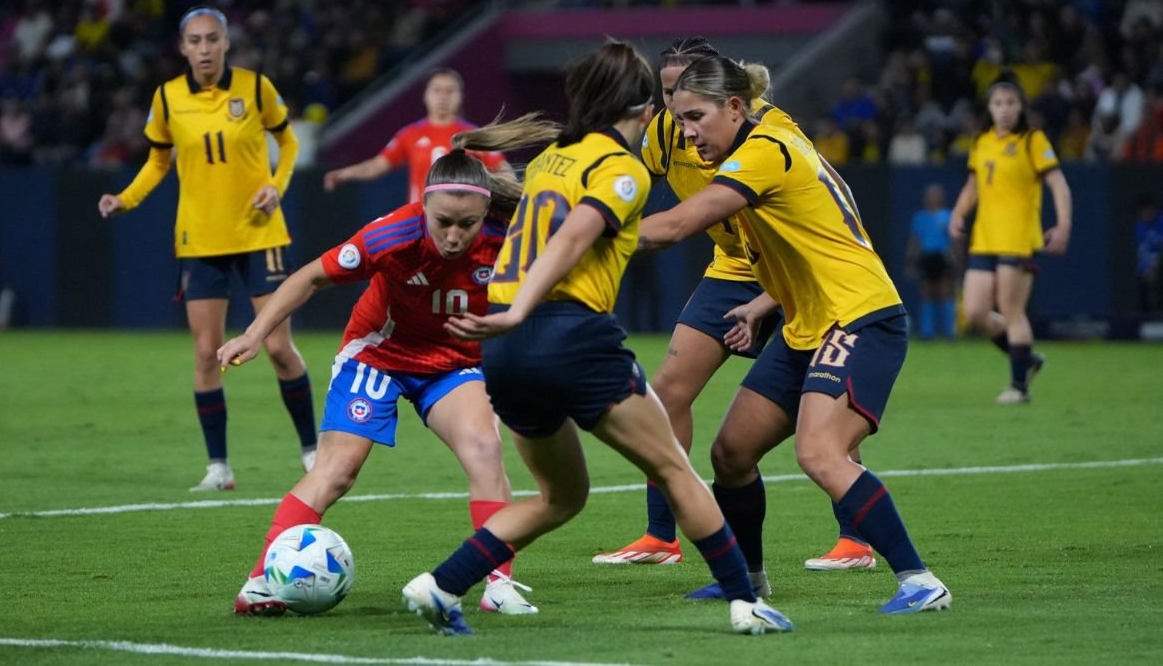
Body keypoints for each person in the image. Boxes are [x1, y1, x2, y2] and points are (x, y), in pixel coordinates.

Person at [399, 41, 793, 637]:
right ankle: (746, 602)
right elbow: (574, 235)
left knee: (560, 497)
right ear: (644, 109)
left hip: (506, 351)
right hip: (568, 335)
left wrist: (511, 314)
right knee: (675, 468)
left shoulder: (554, 156)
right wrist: (522, 308)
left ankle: (440, 585)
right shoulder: (621, 169)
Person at [638, 55, 951, 615]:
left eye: (696, 117)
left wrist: (578, 235)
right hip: (807, 322)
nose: (686, 133)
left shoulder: (763, 151)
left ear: (736, 107)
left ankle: (920, 581)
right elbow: (816, 233)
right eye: (679, 120)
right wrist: (765, 302)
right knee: (732, 452)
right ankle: (748, 581)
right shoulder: (764, 139)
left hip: (858, 315)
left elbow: (680, 224)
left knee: (820, 452)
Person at [594, 37, 875, 577]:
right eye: (665, 93)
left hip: (798, 271)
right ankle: (661, 534)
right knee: (669, 390)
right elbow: (628, 184)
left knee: (823, 401)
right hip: (733, 267)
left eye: (683, 93)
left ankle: (856, 538)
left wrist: (585, 236)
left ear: (724, 96)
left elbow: (829, 212)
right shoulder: (668, 132)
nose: (673, 106)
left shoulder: (769, 132)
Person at [219, 150, 538, 618]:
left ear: (486, 211)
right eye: (443, 221)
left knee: (485, 448)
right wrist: (254, 333)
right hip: (378, 355)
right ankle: (260, 582)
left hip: (453, 362)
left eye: (466, 224)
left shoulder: (508, 233)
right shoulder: (393, 235)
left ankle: (498, 586)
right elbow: (310, 278)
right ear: (423, 204)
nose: (454, 235)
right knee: (337, 470)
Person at [97, 7, 318, 491]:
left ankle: (312, 451)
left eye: (212, 39)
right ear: (183, 47)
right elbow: (158, 162)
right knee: (205, 353)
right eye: (194, 40)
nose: (204, 49)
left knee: (278, 347)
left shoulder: (255, 88)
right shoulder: (168, 97)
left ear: (226, 43)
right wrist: (125, 199)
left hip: (260, 234)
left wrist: (277, 185)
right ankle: (218, 467)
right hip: (200, 238)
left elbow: (289, 143)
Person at [949, 74, 1073, 405]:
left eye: (1010, 103)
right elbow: (973, 185)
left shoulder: (1033, 140)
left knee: (1011, 309)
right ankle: (1026, 359)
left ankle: (1019, 387)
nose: (1003, 109)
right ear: (989, 108)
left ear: (1021, 107)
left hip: (1018, 237)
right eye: (998, 103)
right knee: (975, 311)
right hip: (985, 238)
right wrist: (958, 213)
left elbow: (1059, 184)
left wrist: (1063, 225)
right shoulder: (982, 141)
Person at [322, 69, 514, 203]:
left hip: (461, 221)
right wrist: (345, 174)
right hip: (420, 218)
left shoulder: (474, 136)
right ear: (425, 95)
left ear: (461, 96)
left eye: (450, 91)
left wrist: (515, 193)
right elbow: (376, 166)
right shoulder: (410, 134)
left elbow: (503, 169)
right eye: (437, 90)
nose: (443, 97)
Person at [907, 183, 957, 339]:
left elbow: (954, 240)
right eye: (930, 195)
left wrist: (956, 260)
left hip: (942, 257)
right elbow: (915, 241)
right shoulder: (920, 217)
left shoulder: (948, 216)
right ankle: (927, 332)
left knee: (945, 292)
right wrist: (911, 262)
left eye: (936, 195)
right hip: (926, 257)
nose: (932, 198)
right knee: (927, 293)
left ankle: (949, 332)